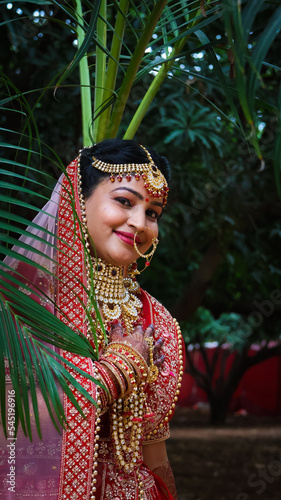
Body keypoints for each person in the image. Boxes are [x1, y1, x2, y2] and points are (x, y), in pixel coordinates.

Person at [0, 139, 184, 500]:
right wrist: (119, 369)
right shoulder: (22, 303)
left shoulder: (157, 320)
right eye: (125, 201)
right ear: (77, 200)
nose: (139, 222)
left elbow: (155, 452)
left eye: (153, 212)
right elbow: (18, 423)